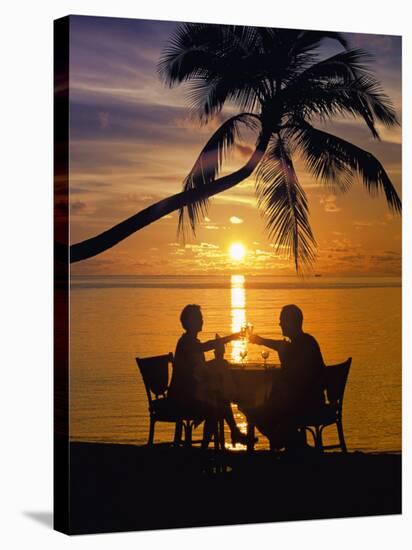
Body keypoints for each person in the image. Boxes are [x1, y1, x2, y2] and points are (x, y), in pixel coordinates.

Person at [169, 304, 253, 447]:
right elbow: (205, 348)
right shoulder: (186, 342)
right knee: (216, 406)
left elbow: (200, 369)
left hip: (190, 392)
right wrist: (231, 338)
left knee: (219, 400)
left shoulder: (192, 342)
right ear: (190, 321)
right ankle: (225, 438)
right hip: (182, 397)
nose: (202, 321)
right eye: (199, 318)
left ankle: (220, 440)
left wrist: (218, 359)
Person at [246, 304, 326, 450]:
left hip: (305, 404)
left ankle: (290, 442)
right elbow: (281, 346)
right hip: (313, 400)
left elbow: (284, 352)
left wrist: (260, 341)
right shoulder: (307, 341)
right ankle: (295, 444)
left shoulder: (299, 345)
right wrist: (260, 340)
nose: (280, 323)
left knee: (256, 413)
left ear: (291, 322)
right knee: (267, 408)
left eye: (282, 320)